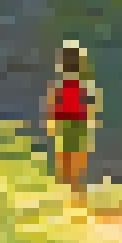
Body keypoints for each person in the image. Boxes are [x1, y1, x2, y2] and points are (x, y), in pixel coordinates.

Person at [44, 41, 96, 199]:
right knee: (67, 157)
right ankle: (69, 191)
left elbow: (89, 104)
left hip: (76, 122)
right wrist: (52, 123)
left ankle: (75, 191)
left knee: (75, 157)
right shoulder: (62, 83)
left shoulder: (81, 83)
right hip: (68, 122)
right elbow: (54, 103)